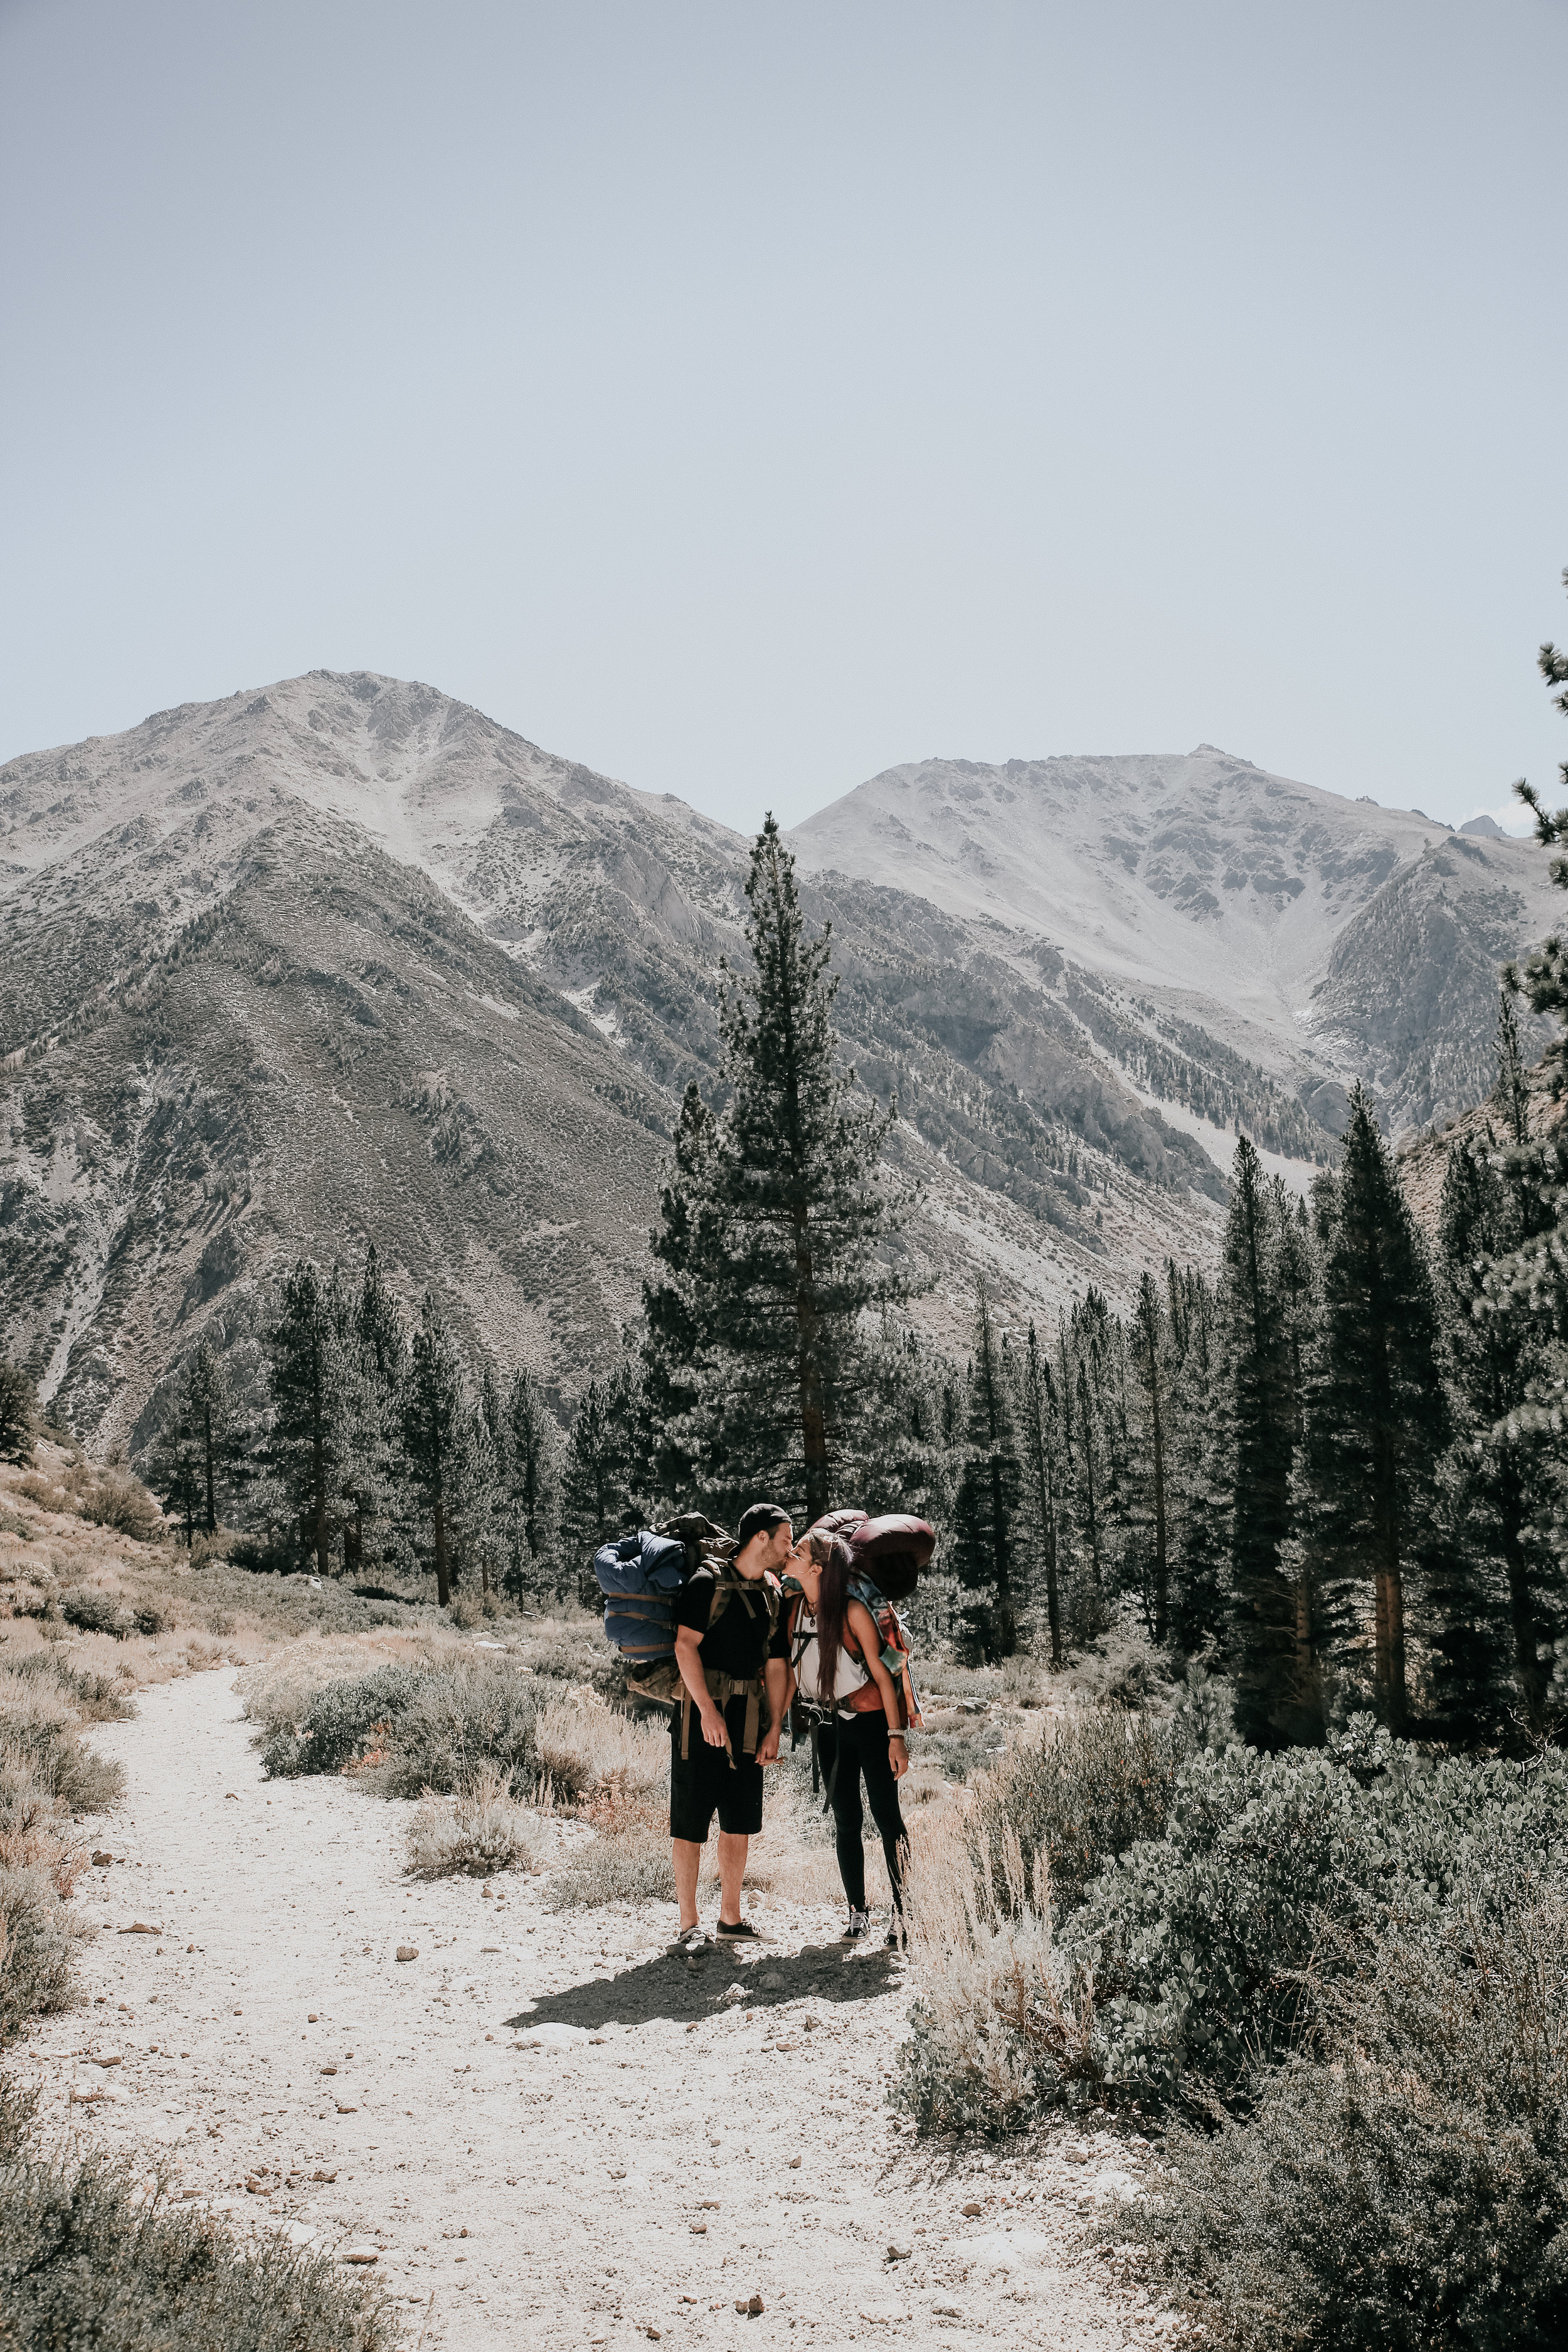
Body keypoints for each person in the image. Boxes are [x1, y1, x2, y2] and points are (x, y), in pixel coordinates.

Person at [667, 1501, 794, 1954]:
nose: (790, 1548)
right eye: (785, 1539)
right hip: (699, 1718)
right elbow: (686, 1647)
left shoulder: (772, 1595)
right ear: (760, 1536)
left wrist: (775, 1726)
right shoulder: (707, 1582)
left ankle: (731, 1918)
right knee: (690, 1821)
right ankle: (688, 1924)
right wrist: (706, 1709)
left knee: (738, 1821)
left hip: (750, 1723)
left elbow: (777, 1666)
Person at [784, 1530, 914, 1947]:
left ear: (817, 1568)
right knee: (846, 1820)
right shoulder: (795, 1612)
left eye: (799, 1551)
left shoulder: (853, 1610)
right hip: (828, 1727)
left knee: (887, 1818)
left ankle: (905, 1913)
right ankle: (857, 1914)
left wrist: (896, 1736)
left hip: (871, 1724)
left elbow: (883, 1675)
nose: (790, 1554)